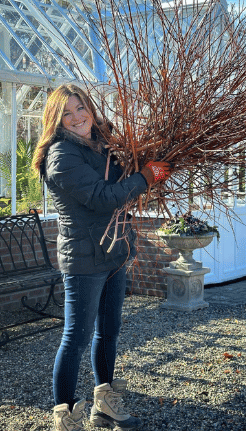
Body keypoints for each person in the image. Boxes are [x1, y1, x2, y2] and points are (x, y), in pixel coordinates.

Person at [32, 84, 171, 431]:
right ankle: (64, 416)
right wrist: (145, 177)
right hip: (84, 257)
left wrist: (148, 167)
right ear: (57, 120)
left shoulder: (104, 143)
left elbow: (123, 182)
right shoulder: (62, 155)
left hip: (114, 249)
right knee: (76, 336)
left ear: (90, 108)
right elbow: (103, 197)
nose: (78, 117)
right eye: (68, 112)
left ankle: (105, 404)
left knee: (109, 330)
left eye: (81, 108)